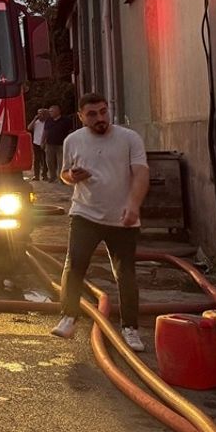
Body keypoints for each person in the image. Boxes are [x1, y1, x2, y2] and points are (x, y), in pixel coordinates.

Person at [50, 93, 150, 352]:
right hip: (85, 214)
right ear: (81, 117)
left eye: (103, 112)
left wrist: (134, 204)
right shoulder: (73, 140)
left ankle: (130, 328)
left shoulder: (129, 138)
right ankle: (69, 317)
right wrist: (72, 177)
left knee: (125, 273)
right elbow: (64, 174)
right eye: (92, 114)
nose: (100, 118)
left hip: (122, 217)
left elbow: (141, 174)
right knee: (75, 265)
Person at [42, 104, 74, 180]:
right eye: (50, 111)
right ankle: (52, 177)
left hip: (61, 144)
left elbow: (70, 131)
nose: (50, 113)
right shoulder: (48, 120)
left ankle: (61, 178)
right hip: (50, 144)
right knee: (49, 162)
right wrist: (42, 141)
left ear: (58, 111)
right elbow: (45, 132)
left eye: (52, 111)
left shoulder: (66, 120)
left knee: (61, 162)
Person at [28, 108, 49, 181]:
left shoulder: (47, 122)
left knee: (45, 160)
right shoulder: (36, 122)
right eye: (39, 113)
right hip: (36, 142)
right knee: (36, 160)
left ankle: (44, 175)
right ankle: (36, 175)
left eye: (41, 113)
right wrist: (34, 119)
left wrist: (44, 142)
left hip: (45, 143)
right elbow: (29, 128)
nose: (40, 115)